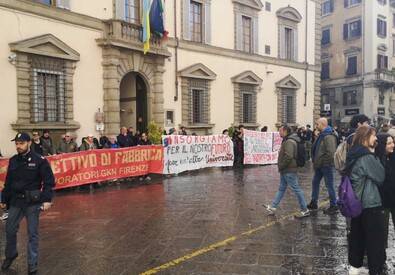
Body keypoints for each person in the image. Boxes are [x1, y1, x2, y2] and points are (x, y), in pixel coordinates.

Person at [1, 132, 55, 274]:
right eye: (17, 144)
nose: (18, 146)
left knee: (32, 233)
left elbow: (49, 182)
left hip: (32, 202)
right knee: (10, 230)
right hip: (16, 201)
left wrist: (47, 199)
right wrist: (3, 200)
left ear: (29, 143)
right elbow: (8, 183)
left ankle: (32, 263)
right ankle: (11, 255)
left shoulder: (40, 160)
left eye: (21, 143)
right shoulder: (13, 160)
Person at [346, 126, 386, 275]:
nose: (375, 138)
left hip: (356, 203)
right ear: (364, 138)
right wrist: (375, 155)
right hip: (369, 203)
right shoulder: (366, 157)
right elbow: (380, 176)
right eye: (373, 135)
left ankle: (355, 266)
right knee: (374, 239)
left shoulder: (353, 153)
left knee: (358, 235)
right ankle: (376, 269)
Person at [266, 125, 310, 218]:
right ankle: (273, 207)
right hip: (286, 169)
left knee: (296, 189)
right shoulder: (288, 140)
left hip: (288, 169)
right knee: (282, 189)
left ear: (285, 131)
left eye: (280, 131)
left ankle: (305, 209)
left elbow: (289, 156)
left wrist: (281, 165)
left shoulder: (289, 141)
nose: (279, 132)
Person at [307, 118, 338, 214]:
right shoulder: (322, 135)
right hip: (320, 165)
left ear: (323, 124)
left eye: (317, 124)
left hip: (326, 165)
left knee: (329, 185)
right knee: (315, 182)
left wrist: (324, 163)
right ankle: (314, 202)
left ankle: (334, 205)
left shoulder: (328, 136)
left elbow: (331, 152)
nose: (316, 126)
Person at [375, 133, 395, 262]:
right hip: (382, 201)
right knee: (382, 230)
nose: (392, 145)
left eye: (392, 142)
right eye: (389, 143)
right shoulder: (376, 159)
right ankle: (380, 256)